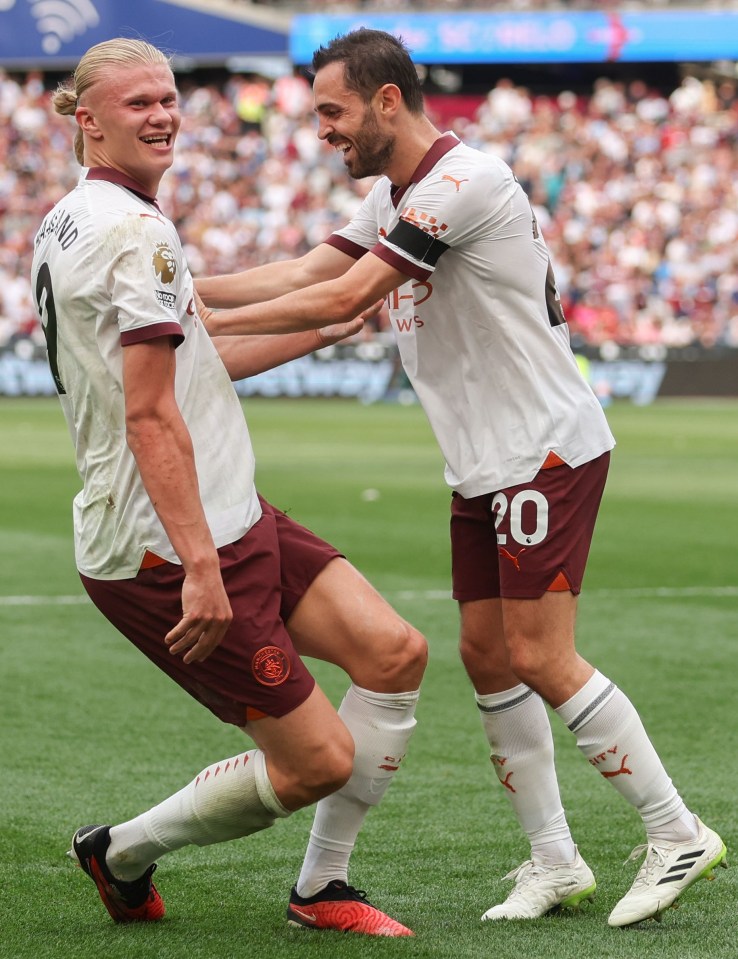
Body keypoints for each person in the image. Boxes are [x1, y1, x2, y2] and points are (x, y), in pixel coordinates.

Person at [197, 28, 727, 928]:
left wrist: (177, 312)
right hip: (486, 461)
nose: (322, 130)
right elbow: (304, 273)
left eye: (332, 111)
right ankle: (554, 859)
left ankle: (676, 831)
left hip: (541, 450)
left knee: (540, 655)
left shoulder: (461, 180)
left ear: (386, 101)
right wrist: (182, 296)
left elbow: (339, 300)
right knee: (487, 654)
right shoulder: (393, 196)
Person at [30, 37, 428, 937]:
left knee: (394, 652)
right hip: (164, 547)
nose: (164, 114)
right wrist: (202, 566)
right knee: (317, 761)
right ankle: (122, 850)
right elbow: (150, 418)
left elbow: (193, 369)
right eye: (139, 103)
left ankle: (321, 888)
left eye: (170, 97)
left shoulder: (74, 222)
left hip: (225, 512)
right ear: (86, 121)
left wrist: (322, 337)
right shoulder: (132, 232)